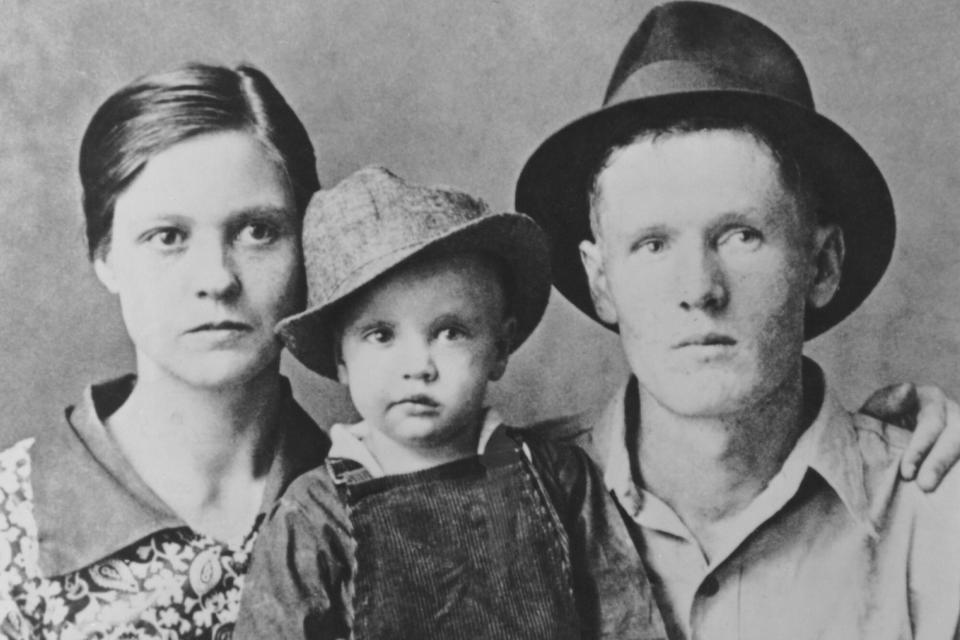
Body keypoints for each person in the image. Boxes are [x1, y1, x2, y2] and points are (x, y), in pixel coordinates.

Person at [515, 2, 960, 638]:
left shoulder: (942, 520)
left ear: (822, 266)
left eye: (741, 235)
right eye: (652, 244)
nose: (699, 289)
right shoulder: (506, 502)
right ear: (600, 281)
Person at [234, 166, 652, 639]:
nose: (419, 366)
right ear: (340, 358)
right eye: (381, 335)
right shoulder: (313, 517)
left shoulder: (559, 478)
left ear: (499, 348)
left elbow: (626, 623)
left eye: (451, 332)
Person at [0, 63, 328, 638]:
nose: (217, 279)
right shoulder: (12, 522)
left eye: (257, 230)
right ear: (104, 256)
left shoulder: (368, 500)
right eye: (168, 237)